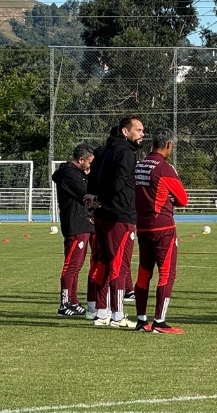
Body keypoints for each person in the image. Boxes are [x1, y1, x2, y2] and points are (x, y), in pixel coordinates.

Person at [87, 116, 144, 328]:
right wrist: (100, 199)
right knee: (119, 265)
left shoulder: (103, 151)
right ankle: (118, 315)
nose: (142, 134)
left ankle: (101, 312)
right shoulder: (126, 153)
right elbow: (119, 182)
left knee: (103, 262)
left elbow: (93, 179)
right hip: (119, 216)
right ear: (125, 132)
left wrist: (92, 198)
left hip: (102, 215)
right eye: (138, 130)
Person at [132, 129, 189, 333]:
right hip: (162, 226)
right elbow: (182, 199)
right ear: (168, 145)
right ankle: (159, 321)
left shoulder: (140, 165)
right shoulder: (164, 168)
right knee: (166, 273)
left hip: (143, 225)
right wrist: (171, 199)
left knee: (144, 272)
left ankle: (141, 320)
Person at [52, 143, 95, 317]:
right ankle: (64, 303)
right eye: (89, 163)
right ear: (81, 160)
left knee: (77, 266)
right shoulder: (69, 174)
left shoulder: (75, 173)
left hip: (83, 223)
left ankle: (73, 301)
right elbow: (86, 193)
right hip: (75, 223)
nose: (90, 166)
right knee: (71, 265)